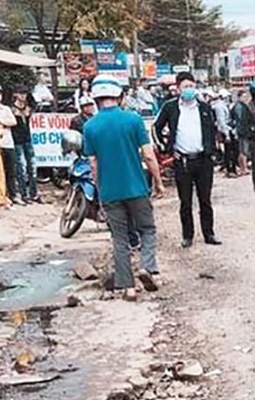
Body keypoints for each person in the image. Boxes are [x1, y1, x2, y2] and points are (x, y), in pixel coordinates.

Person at [83, 77, 164, 301]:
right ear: (119, 96)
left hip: (110, 192)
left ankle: (127, 288)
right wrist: (158, 182)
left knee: (119, 239)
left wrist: (100, 190)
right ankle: (148, 268)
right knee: (147, 230)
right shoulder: (133, 120)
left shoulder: (90, 126)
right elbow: (148, 155)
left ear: (96, 98)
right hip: (137, 188)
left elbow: (93, 164)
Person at [155, 72, 222, 248]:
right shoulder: (170, 107)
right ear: (178, 89)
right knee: (185, 201)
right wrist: (167, 149)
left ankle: (209, 233)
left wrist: (213, 151)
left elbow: (212, 130)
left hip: (203, 159)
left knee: (205, 200)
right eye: (185, 87)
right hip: (182, 160)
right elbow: (156, 128)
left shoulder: (204, 107)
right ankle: (187, 235)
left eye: (192, 86)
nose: (189, 90)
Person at [0, 84, 20, 205]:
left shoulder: (6, 109)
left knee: (10, 170)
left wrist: (1, 122)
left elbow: (13, 122)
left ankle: (13, 194)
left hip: (7, 142)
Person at [11, 85, 40, 204]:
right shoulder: (12, 109)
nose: (23, 96)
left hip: (27, 139)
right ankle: (24, 194)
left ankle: (33, 193)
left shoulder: (28, 108)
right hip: (17, 141)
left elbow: (35, 104)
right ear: (16, 94)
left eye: (25, 93)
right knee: (21, 167)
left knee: (32, 167)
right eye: (21, 93)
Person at [210, 90, 237, 178]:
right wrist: (227, 134)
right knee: (229, 152)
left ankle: (230, 168)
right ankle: (230, 170)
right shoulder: (219, 107)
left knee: (230, 151)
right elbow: (221, 121)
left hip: (227, 130)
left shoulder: (222, 106)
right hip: (225, 131)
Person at [231, 89, 252, 177]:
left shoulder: (242, 106)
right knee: (243, 151)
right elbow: (240, 120)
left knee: (242, 151)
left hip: (243, 131)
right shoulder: (239, 107)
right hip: (242, 131)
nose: (245, 98)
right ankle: (243, 168)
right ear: (239, 97)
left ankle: (242, 168)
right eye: (243, 96)